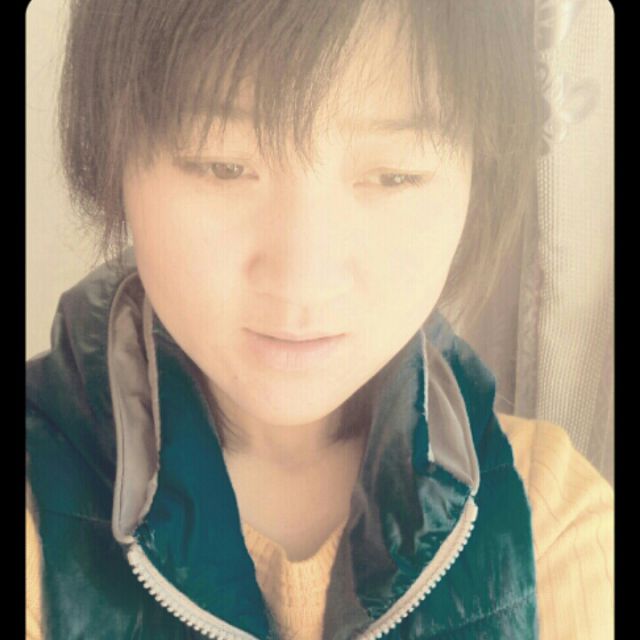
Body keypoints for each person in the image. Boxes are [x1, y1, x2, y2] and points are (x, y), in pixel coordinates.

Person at [26, 1, 613, 639]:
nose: (302, 276)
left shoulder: (547, 520)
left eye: (394, 175)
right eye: (224, 166)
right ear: (113, 152)